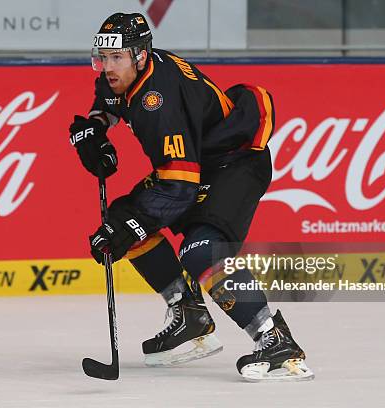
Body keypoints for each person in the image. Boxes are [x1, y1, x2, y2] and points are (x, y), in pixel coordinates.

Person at [69, 12, 314, 381]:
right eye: (102, 58)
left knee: (199, 248)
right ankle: (190, 315)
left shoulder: (159, 102)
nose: (107, 67)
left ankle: (276, 341)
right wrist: (94, 129)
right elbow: (107, 104)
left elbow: (180, 189)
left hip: (236, 161)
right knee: (121, 221)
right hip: (200, 160)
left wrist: (133, 227)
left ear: (139, 56)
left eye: (116, 58)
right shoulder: (121, 75)